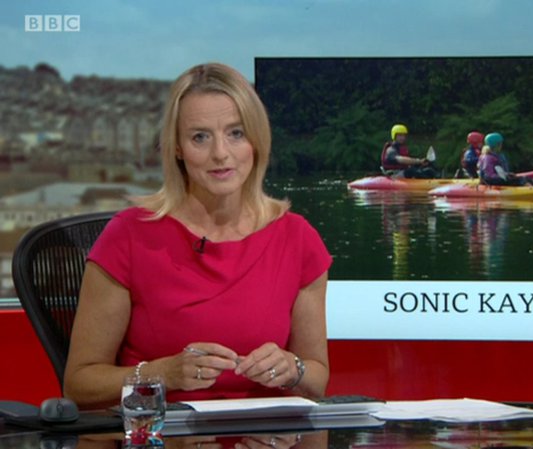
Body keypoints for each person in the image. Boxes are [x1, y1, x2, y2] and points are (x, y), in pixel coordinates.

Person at [63, 63, 332, 409]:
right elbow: (80, 383)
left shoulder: (298, 238)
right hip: (163, 436)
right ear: (177, 148)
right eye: (200, 137)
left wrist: (292, 369)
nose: (221, 153)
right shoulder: (129, 237)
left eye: (236, 133)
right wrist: (163, 374)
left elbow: (317, 378)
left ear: (256, 140)